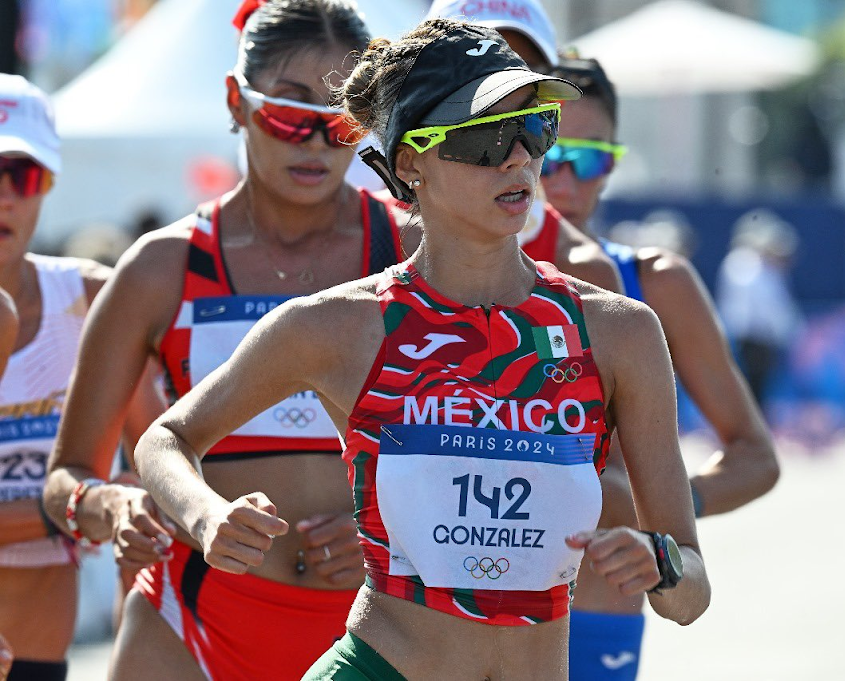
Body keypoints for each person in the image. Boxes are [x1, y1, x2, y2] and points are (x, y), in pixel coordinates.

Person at [133, 20, 710, 680]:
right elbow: (166, 438)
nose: (519, 157)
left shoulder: (619, 330)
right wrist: (206, 518)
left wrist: (662, 563)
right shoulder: (337, 326)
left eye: (536, 127)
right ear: (411, 163)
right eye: (488, 135)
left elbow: (691, 593)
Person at [42, 2, 402, 679]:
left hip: (378, 629)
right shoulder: (161, 267)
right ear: (237, 101)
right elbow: (68, 478)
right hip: (191, 620)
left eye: (344, 120)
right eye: (291, 113)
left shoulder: (414, 250)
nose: (317, 141)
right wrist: (115, 503)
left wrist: (397, 539)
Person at [538, 56, 777, 680]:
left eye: (585, 157)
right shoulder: (437, 276)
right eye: (546, 149)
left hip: (596, 608)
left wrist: (661, 510)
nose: (561, 176)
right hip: (454, 611)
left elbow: (756, 456)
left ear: (613, 163)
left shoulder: (650, 281)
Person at [0, 74, 144, 681]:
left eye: (22, 176)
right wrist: (69, 505)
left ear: (47, 184)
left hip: (39, 648)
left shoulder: (90, 297)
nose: (4, 197)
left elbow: (160, 464)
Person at [413, 0, 622, 294]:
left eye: (524, 70)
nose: (507, 88)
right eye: (478, 69)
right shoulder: (363, 230)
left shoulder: (586, 271)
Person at [717, 210, 802, 408]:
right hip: (746, 337)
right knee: (746, 385)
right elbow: (760, 308)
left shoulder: (765, 268)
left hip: (758, 338)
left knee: (758, 386)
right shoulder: (744, 264)